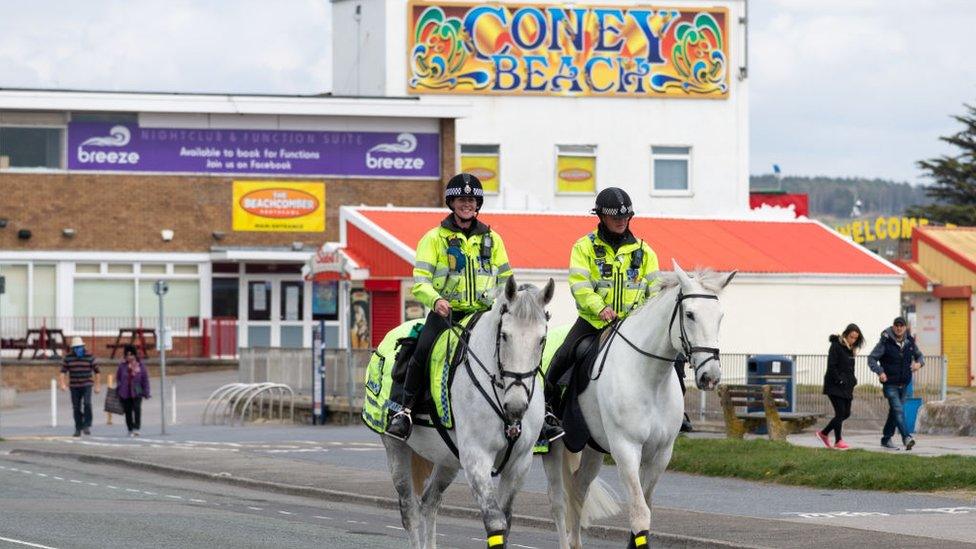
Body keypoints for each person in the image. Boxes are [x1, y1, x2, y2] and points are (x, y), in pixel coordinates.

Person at [385, 173, 512, 441]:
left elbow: (505, 280)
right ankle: (405, 411)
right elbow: (421, 282)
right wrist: (437, 300)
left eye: (471, 199)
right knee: (422, 350)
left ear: (477, 204)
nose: (466, 204)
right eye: (461, 199)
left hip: (483, 315)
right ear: (451, 202)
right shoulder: (433, 239)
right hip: (447, 314)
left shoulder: (494, 240)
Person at [541, 187, 659, 441]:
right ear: (601, 217)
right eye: (615, 216)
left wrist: (645, 318)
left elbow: (655, 290)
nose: (621, 220)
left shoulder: (645, 251)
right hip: (594, 322)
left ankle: (677, 413)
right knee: (563, 356)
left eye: (625, 216)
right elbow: (580, 286)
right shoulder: (583, 247)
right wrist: (601, 308)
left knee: (674, 354)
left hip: (634, 327)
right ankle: (546, 410)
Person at [868, 316, 924, 450]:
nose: (899, 328)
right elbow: (871, 358)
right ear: (893, 327)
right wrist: (880, 372)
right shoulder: (885, 342)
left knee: (894, 412)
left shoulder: (909, 341)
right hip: (890, 384)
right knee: (898, 410)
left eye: (901, 326)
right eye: (896, 325)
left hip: (904, 384)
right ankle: (906, 437)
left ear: (905, 328)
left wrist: (918, 364)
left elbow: (920, 356)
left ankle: (886, 439)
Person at [816, 324, 863, 450]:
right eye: (851, 337)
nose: (853, 340)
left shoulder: (851, 349)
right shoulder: (836, 346)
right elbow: (831, 366)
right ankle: (835, 439)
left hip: (847, 386)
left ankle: (825, 434)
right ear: (846, 334)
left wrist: (853, 380)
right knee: (840, 413)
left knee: (845, 413)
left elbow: (850, 368)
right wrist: (839, 380)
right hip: (834, 385)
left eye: (855, 338)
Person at [58, 336, 101, 437]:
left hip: (87, 384)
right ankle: (78, 427)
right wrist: (62, 384)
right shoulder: (68, 358)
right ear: (73, 349)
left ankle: (87, 424)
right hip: (74, 385)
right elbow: (62, 372)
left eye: (79, 347)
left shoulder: (89, 356)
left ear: (83, 347)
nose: (78, 350)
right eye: (76, 348)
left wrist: (97, 386)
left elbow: (97, 372)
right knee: (76, 407)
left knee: (87, 403)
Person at [115, 344, 151, 437]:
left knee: (137, 408)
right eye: (127, 355)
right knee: (128, 411)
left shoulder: (141, 366)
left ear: (135, 355)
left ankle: (136, 428)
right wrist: (119, 386)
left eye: (131, 355)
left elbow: (145, 379)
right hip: (125, 391)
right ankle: (130, 428)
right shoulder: (122, 366)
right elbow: (118, 377)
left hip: (137, 390)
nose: (129, 357)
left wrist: (146, 392)